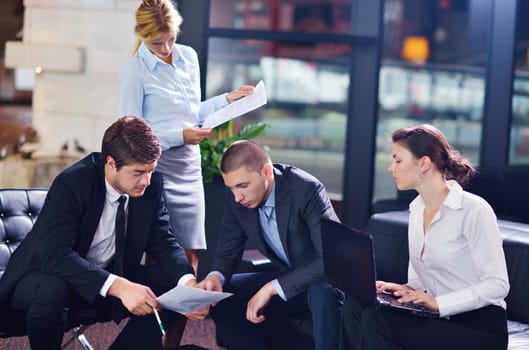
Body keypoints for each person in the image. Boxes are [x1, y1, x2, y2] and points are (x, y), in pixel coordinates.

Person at [0, 116, 206, 350]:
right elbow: (53, 254)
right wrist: (119, 286)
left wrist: (188, 283)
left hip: (105, 278)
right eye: (138, 172)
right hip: (42, 278)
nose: (147, 181)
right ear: (110, 163)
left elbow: (164, 242)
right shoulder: (73, 183)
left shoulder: (151, 185)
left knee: (172, 281)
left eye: (151, 171)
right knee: (52, 287)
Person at [339, 124, 509, 350]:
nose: (391, 168)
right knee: (355, 307)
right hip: (438, 318)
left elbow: (498, 285)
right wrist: (404, 289)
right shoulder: (417, 209)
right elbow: (420, 280)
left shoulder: (474, 210)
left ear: (424, 164)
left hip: (478, 327)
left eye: (398, 160)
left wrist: (439, 304)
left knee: (376, 321)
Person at [118, 0, 254, 274]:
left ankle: (184, 312)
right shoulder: (135, 72)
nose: (166, 48)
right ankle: (158, 316)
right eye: (157, 43)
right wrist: (180, 135)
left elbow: (193, 112)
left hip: (189, 170)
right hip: (157, 173)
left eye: (170, 39)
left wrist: (227, 100)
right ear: (142, 36)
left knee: (192, 255)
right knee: (163, 257)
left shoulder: (189, 57)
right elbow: (129, 133)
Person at [196, 140, 343, 350]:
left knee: (322, 292)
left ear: (266, 171)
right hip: (282, 275)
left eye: (243, 186)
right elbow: (227, 253)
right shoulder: (238, 198)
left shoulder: (306, 189)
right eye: (231, 188)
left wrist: (272, 287)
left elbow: (330, 259)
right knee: (224, 295)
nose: (237, 197)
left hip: (320, 280)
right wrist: (214, 277)